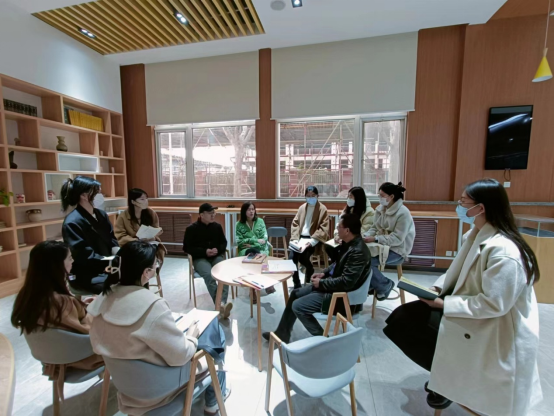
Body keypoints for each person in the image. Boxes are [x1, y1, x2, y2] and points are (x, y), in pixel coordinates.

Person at [383, 179, 542, 415]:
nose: (459, 206)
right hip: (469, 308)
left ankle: (448, 381)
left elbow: (493, 304)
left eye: (463, 202)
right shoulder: (475, 235)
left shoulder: (505, 252)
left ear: (480, 208)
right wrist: (437, 289)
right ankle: (445, 377)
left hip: (493, 326)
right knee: (402, 318)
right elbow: (456, 272)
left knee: (411, 323)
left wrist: (445, 304)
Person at [88, 241, 230, 416]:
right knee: (215, 336)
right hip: (159, 383)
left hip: (126, 383)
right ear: (147, 272)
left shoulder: (102, 300)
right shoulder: (152, 305)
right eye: (156, 264)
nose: (157, 268)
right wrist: (192, 337)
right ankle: (213, 402)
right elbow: (181, 355)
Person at [263, 214, 370, 343]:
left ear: (347, 230)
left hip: (341, 296)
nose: (337, 229)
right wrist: (324, 274)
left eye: (339, 227)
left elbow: (346, 282)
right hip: (333, 288)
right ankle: (282, 334)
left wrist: (322, 283)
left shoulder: (358, 252)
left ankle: (324, 340)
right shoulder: (349, 244)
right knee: (295, 293)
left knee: (298, 306)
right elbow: (337, 265)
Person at [11, 241, 103, 387]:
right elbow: (87, 332)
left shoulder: (26, 296)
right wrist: (93, 310)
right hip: (79, 358)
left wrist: (81, 306)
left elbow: (62, 324)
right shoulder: (61, 302)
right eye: (70, 258)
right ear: (57, 265)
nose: (73, 261)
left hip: (52, 358)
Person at [61, 176, 119, 294]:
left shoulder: (101, 214)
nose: (101, 195)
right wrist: (110, 261)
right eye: (97, 192)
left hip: (108, 266)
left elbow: (111, 239)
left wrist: (118, 253)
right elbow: (83, 255)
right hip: (86, 273)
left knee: (138, 276)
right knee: (118, 285)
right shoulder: (72, 222)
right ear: (83, 195)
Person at [365, 182, 415, 300]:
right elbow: (374, 228)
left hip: (397, 251)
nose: (379, 198)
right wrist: (364, 236)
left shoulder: (403, 213)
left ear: (391, 196)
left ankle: (385, 285)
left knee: (365, 263)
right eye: (379, 195)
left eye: (382, 195)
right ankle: (372, 284)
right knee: (357, 257)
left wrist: (376, 238)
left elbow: (397, 239)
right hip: (381, 246)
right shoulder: (380, 209)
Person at [183, 203, 232, 319]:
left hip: (216, 256)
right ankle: (220, 305)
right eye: (210, 213)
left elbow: (223, 243)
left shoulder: (217, 227)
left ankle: (222, 304)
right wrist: (204, 251)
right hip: (200, 258)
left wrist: (217, 249)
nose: (213, 215)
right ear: (201, 215)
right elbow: (187, 248)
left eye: (213, 213)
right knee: (209, 275)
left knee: (224, 274)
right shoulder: (191, 229)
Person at [115, 188, 167, 275]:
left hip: (150, 243)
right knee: (138, 255)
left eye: (146, 198)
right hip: (132, 245)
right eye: (142, 199)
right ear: (133, 201)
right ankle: (139, 276)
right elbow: (120, 235)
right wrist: (137, 240)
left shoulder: (150, 213)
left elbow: (156, 227)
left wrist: (154, 236)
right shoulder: (123, 216)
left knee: (154, 251)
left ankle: (149, 273)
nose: (146, 201)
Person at [289, 186, 330, 289]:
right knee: (292, 258)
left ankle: (309, 269)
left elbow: (323, 228)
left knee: (303, 257)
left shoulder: (322, 209)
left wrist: (312, 241)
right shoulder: (302, 208)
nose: (310, 198)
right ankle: (296, 283)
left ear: (317, 196)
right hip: (300, 238)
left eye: (313, 195)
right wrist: (295, 239)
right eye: (308, 196)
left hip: (313, 239)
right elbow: (295, 223)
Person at [325, 186, 375, 263]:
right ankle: (337, 265)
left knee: (343, 250)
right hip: (343, 239)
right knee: (328, 246)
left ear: (358, 198)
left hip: (355, 241)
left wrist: (345, 239)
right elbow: (339, 226)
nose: (348, 199)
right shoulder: (347, 210)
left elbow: (364, 230)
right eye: (348, 196)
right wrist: (337, 236)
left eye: (351, 197)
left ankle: (341, 266)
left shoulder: (369, 212)